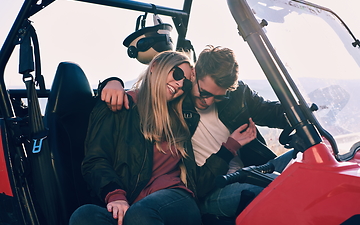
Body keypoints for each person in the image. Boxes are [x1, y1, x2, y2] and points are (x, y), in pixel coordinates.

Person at [98, 45, 292, 222]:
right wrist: (111, 82)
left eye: (218, 96)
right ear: (193, 73)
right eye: (205, 93)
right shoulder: (177, 104)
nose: (208, 101)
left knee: (304, 158)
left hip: (253, 171)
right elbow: (149, 90)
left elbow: (268, 111)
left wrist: (300, 116)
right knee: (269, 192)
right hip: (213, 186)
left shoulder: (235, 95)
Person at [69, 50, 258, 225]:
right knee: (84, 216)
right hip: (131, 202)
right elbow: (95, 160)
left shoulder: (183, 116)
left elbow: (213, 83)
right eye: (177, 75)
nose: (179, 84)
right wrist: (115, 196)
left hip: (175, 198)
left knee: (141, 213)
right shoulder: (119, 107)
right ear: (155, 66)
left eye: (185, 83)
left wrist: (230, 148)